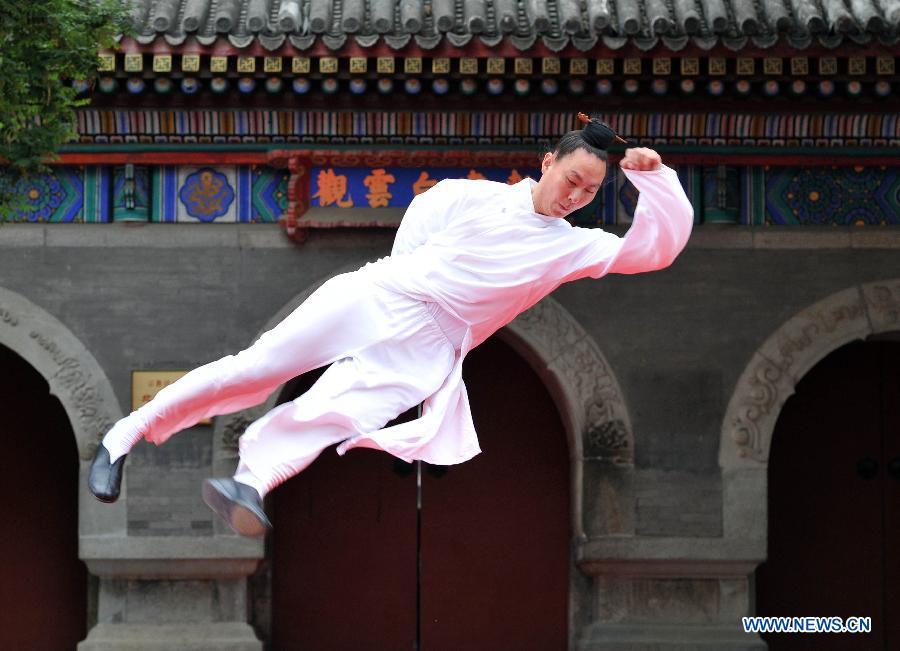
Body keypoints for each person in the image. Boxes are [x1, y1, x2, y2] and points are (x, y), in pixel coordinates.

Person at [89, 113, 694, 537]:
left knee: (336, 411)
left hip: (427, 347)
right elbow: (414, 241)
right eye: (571, 181)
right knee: (258, 367)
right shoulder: (469, 198)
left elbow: (653, 250)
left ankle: (249, 483)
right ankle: (126, 435)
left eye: (589, 191)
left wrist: (653, 176)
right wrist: (406, 289)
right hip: (384, 293)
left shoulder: (573, 247)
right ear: (547, 164)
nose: (575, 197)